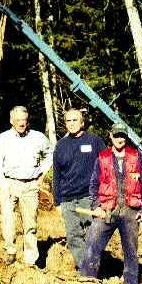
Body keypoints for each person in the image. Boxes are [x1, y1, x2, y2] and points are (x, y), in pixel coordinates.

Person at [79, 122, 142, 284]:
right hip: (107, 211)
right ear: (110, 136)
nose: (119, 139)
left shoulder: (135, 157)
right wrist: (96, 207)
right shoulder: (102, 158)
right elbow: (93, 185)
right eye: (116, 135)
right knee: (92, 246)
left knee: (131, 251)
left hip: (130, 211)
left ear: (126, 138)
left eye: (122, 136)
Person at [0, 105, 53, 266]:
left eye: (23, 120)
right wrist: (3, 185)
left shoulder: (38, 138)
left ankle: (30, 258)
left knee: (30, 223)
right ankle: (10, 250)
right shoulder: (2, 139)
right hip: (9, 183)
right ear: (12, 121)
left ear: (27, 121)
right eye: (17, 120)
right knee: (8, 219)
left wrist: (42, 174)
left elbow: (50, 154)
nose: (21, 123)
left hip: (30, 185)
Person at [52, 109, 106, 269]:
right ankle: (86, 269)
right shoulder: (61, 145)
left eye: (75, 120)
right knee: (73, 236)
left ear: (82, 122)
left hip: (88, 197)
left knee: (92, 235)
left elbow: (106, 167)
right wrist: (57, 201)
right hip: (68, 199)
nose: (72, 124)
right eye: (68, 121)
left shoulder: (94, 141)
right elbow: (57, 174)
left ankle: (94, 267)